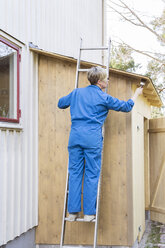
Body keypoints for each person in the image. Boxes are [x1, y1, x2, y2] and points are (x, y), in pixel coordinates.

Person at [58, 66, 143, 222]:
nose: (108, 81)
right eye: (106, 79)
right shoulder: (103, 98)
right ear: (99, 82)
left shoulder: (76, 93)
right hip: (91, 139)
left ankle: (72, 213)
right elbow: (126, 106)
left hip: (75, 138)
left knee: (75, 173)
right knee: (91, 175)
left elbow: (60, 103)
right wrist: (136, 94)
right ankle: (89, 213)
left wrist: (75, 99)